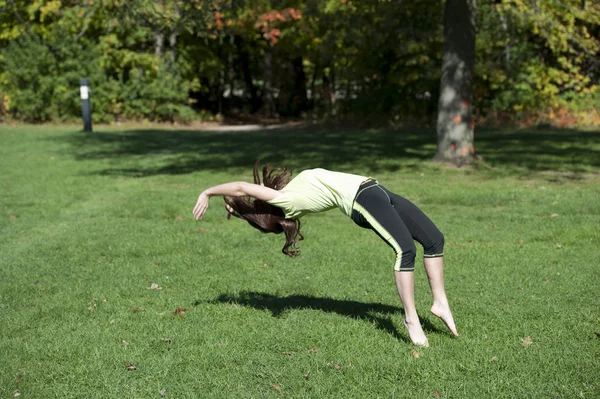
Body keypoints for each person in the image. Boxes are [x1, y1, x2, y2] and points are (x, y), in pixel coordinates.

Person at [192, 162, 458, 346]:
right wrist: (208, 192)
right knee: (405, 250)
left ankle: (440, 302)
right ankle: (411, 319)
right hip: (361, 200)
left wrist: (237, 207)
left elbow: (241, 193)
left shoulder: (289, 191)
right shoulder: (284, 200)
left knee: (434, 239)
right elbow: (240, 187)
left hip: (375, 189)